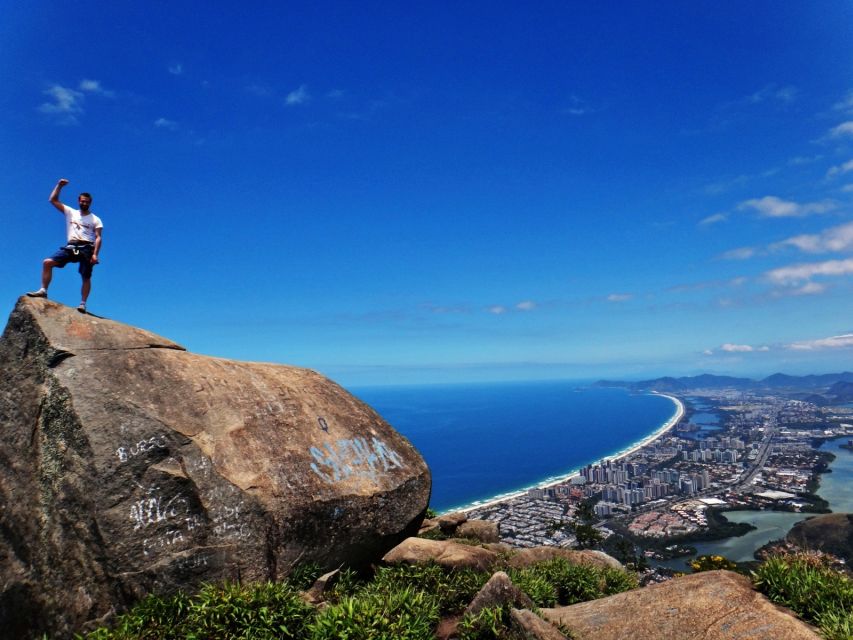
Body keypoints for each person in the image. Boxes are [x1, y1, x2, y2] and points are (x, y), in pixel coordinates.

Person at [27, 178, 104, 313]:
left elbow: (98, 237)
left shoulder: (95, 219)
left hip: (86, 248)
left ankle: (82, 303)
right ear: (78, 201)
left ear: (90, 203)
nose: (84, 203)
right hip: (71, 246)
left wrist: (95, 254)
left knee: (86, 276)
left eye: (86, 201)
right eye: (82, 201)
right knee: (47, 262)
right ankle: (43, 290)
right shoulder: (71, 212)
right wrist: (59, 186)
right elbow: (53, 200)